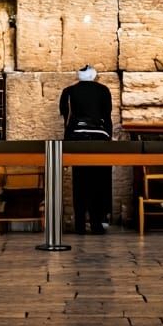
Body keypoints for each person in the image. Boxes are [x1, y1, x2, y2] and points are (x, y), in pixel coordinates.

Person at [59, 65, 113, 235]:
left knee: (80, 180)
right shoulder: (104, 90)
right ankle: (97, 223)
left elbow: (65, 117)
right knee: (99, 181)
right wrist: (108, 138)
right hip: (99, 140)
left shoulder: (69, 91)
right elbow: (107, 117)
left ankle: (80, 224)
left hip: (77, 140)